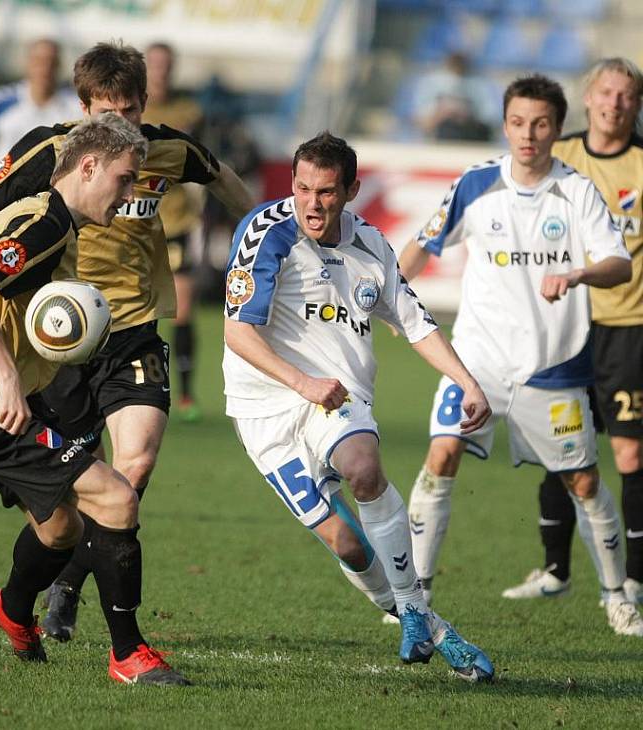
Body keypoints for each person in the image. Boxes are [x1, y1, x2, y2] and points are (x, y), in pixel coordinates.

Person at [0, 40, 253, 646]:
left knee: (132, 469)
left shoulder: (164, 149)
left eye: (132, 112)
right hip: (56, 348)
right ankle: (38, 590)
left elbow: (230, 187)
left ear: (146, 105)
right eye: (106, 114)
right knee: (63, 505)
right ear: (83, 106)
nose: (121, 127)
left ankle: (74, 591)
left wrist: (260, 249)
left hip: (132, 332)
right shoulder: (51, 150)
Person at [223, 131, 494, 682]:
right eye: (302, 188)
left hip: (338, 395)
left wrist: (468, 382)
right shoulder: (265, 232)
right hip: (263, 409)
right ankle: (433, 628)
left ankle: (415, 608)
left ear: (351, 190)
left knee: (363, 470)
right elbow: (237, 333)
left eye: (326, 192)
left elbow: (416, 325)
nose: (312, 204)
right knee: (347, 543)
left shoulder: (372, 245)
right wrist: (302, 383)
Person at [0, 114, 189, 685]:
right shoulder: (45, 220)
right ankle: (128, 655)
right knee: (117, 499)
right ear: (88, 166)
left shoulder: (55, 224)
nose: (128, 196)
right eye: (123, 180)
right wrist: (0, 380)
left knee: (61, 531)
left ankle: (12, 609)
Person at [398, 74, 643, 637]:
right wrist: (387, 297)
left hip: (552, 367)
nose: (527, 135)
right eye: (517, 122)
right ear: (504, 124)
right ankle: (416, 599)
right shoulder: (476, 184)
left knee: (582, 482)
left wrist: (579, 271)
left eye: (539, 124)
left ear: (557, 129)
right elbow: (422, 245)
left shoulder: (578, 192)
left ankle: (615, 594)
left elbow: (620, 264)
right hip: (477, 362)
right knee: (441, 457)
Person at [502, 58, 643, 607]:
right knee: (560, 450)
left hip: (629, 329)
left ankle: (633, 580)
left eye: (626, 95)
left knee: (629, 455)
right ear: (587, 99)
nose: (615, 103)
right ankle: (555, 569)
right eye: (606, 93)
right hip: (566, 330)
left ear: (636, 103)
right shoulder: (562, 157)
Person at [141, 42, 205, 420]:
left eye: (167, 64)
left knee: (182, 308)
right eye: (155, 64)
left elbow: (197, 159)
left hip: (177, 221)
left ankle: (186, 394)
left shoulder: (188, 110)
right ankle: (143, 383)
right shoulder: (130, 108)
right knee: (137, 308)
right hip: (136, 223)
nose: (161, 71)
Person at [0, 38, 81, 173]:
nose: (45, 69)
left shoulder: (75, 107)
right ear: (27, 63)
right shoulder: (2, 101)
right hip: (5, 188)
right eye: (38, 61)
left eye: (51, 62)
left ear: (59, 66)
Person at [412, 52, 498, 143]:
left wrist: (466, 114)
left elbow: (491, 122)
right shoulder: (431, 83)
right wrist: (443, 113)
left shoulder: (479, 84)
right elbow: (421, 122)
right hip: (440, 138)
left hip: (471, 138)